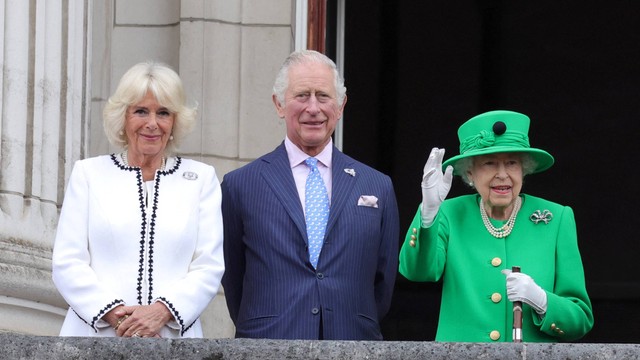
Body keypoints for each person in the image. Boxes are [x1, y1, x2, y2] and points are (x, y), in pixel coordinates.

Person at [221, 50, 399, 340]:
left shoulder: (377, 186)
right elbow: (233, 278)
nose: (313, 108)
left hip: (352, 343)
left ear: (340, 105)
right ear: (279, 104)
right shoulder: (240, 185)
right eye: (302, 95)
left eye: (323, 96)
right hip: (268, 345)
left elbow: (383, 284)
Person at [51, 61, 224, 338]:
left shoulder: (201, 179)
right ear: (124, 117)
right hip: (95, 338)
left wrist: (160, 313)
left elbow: (209, 266)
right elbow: (67, 263)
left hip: (171, 339)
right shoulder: (89, 174)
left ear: (175, 120)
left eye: (163, 113)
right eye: (141, 111)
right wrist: (123, 321)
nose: (152, 124)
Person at [399, 110, 593, 342]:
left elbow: (580, 319)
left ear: (524, 169)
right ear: (470, 172)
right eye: (489, 164)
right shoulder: (450, 213)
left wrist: (542, 301)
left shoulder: (557, 218)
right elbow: (418, 272)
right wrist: (428, 214)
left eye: (512, 163)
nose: (502, 175)